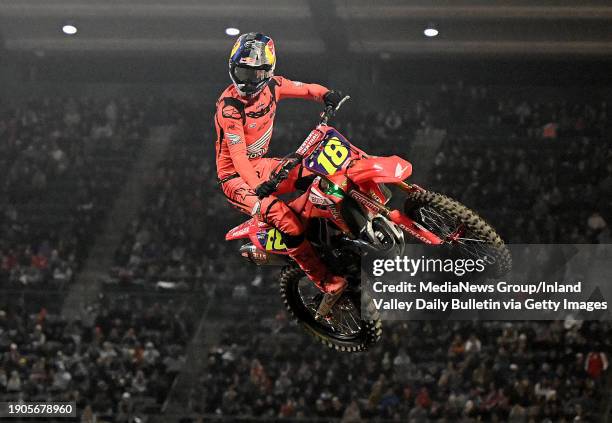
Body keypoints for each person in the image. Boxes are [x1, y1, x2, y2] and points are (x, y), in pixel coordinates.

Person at [214, 32, 346, 293]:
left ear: (268, 72)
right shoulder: (229, 107)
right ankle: (324, 281)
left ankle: (333, 234)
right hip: (235, 179)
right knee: (286, 220)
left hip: (261, 164)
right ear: (232, 68)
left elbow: (307, 88)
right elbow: (238, 155)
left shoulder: (275, 85)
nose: (249, 82)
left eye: (256, 75)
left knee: (318, 170)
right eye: (243, 73)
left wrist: (327, 94)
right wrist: (255, 186)